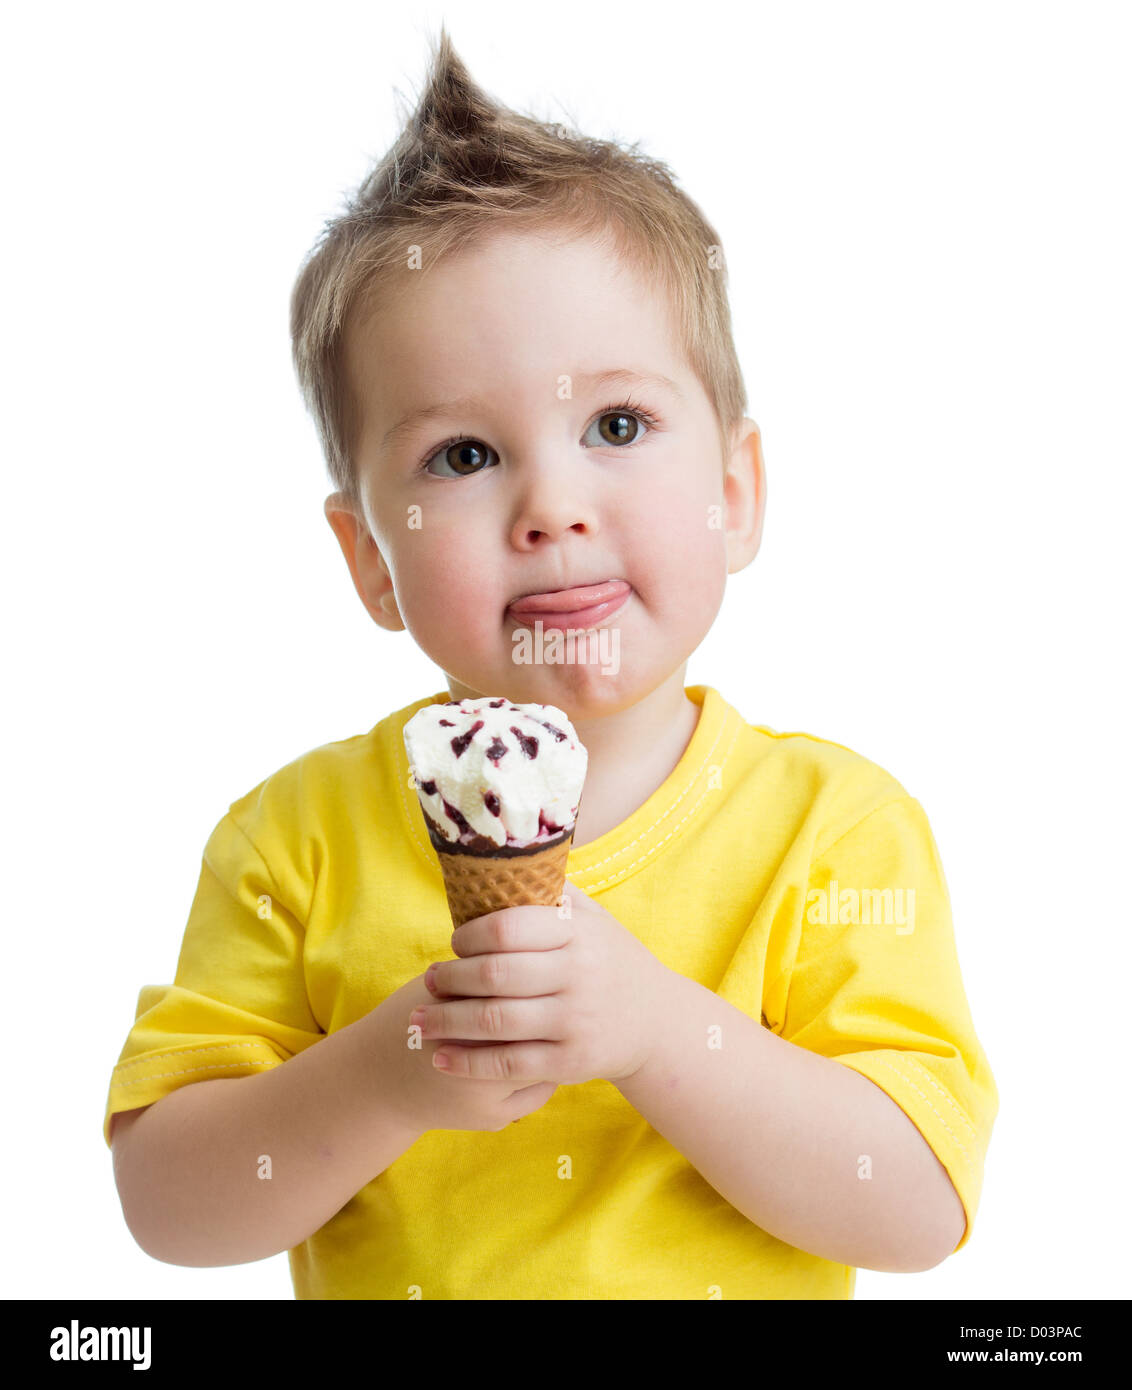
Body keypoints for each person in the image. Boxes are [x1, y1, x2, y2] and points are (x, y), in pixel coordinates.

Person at [104, 24, 997, 1299]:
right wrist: (390, 1068)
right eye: (463, 456)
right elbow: (167, 1204)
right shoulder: (293, 839)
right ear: (369, 558)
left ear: (735, 492)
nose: (552, 503)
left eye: (617, 424)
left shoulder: (834, 831)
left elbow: (915, 1205)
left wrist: (654, 1032)